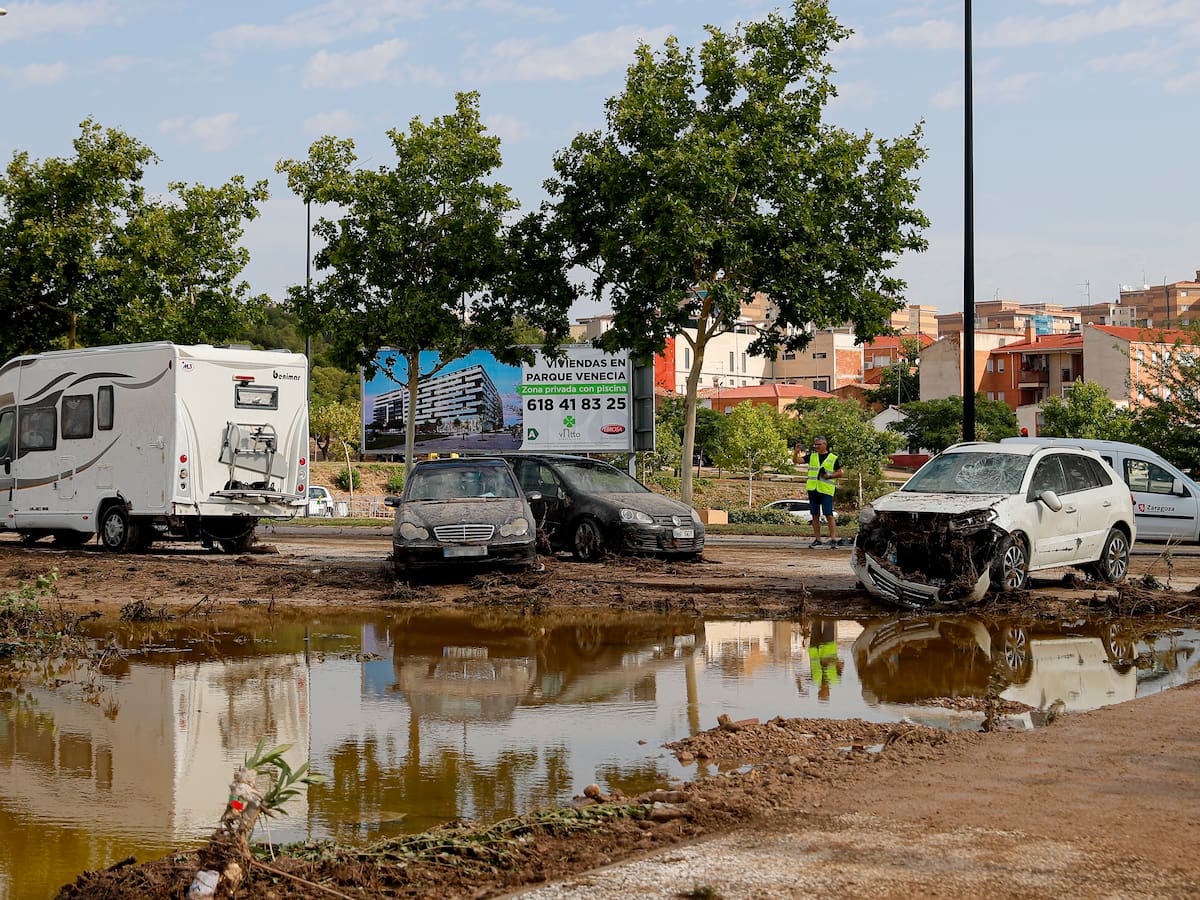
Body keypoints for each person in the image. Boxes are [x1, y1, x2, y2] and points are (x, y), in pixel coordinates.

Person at [805, 435, 843, 548]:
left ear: (825, 445)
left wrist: (829, 476)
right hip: (813, 489)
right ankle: (818, 539)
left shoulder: (833, 457)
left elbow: (840, 472)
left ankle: (833, 539)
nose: (816, 446)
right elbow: (797, 460)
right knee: (814, 514)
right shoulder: (812, 456)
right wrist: (796, 452)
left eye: (818, 444)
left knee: (828, 514)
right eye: (815, 444)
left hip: (826, 490)